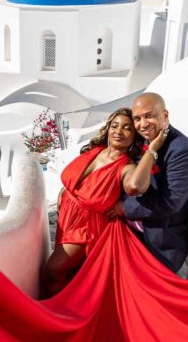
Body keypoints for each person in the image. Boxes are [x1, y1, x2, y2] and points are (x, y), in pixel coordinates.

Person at [42, 108, 168, 296]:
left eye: (127, 128)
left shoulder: (126, 167)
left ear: (134, 137)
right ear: (107, 128)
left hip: (87, 229)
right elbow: (77, 181)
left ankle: (57, 315)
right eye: (115, 125)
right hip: (67, 219)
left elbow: (135, 186)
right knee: (70, 275)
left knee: (54, 270)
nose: (119, 131)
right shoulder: (94, 151)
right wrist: (65, 191)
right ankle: (68, 308)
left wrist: (152, 149)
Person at [108, 92, 188, 276]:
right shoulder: (143, 140)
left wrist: (124, 208)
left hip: (160, 246)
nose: (143, 124)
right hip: (131, 235)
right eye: (137, 118)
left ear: (164, 115)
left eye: (149, 116)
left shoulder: (181, 150)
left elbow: (171, 202)